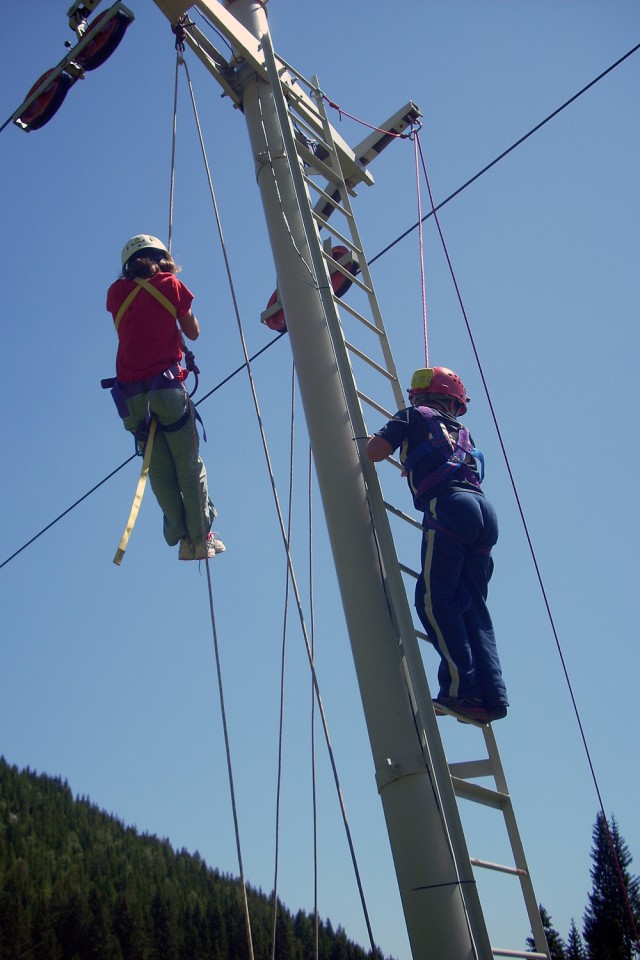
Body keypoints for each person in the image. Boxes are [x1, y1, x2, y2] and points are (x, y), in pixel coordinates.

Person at [366, 366, 508, 723]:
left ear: (418, 396)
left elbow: (375, 450)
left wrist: (377, 442)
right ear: (455, 404)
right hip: (484, 513)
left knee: (434, 599)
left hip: (449, 507)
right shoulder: (463, 433)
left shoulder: (412, 416)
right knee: (473, 605)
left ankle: (463, 691)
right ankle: (491, 695)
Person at [106, 234, 225, 561]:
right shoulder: (170, 284)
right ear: (162, 258)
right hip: (167, 390)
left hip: (132, 400)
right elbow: (193, 332)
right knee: (188, 466)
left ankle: (177, 534)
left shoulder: (116, 294)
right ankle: (200, 538)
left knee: (158, 471)